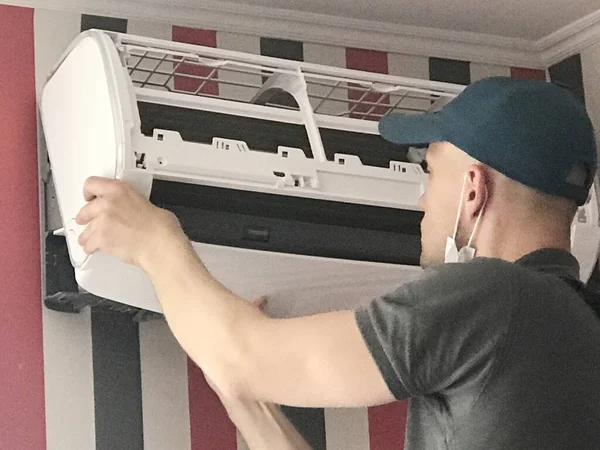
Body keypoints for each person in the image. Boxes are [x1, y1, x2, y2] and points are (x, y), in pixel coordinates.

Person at [75, 76, 600, 449]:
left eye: (430, 172)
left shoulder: (491, 298)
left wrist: (154, 239)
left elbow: (246, 357)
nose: (421, 199)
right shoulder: (575, 329)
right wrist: (242, 390)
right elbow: (243, 362)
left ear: (472, 190)